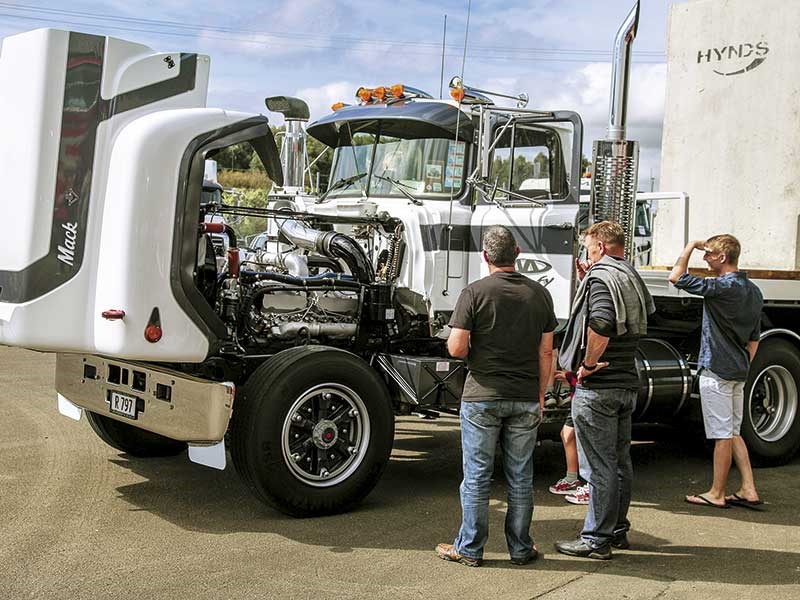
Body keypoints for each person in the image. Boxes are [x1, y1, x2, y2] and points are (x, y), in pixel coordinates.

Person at [436, 225, 557, 567]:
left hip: (482, 397)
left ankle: (470, 548)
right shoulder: (540, 295)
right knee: (521, 477)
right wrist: (541, 397)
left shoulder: (474, 293)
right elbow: (547, 352)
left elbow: (457, 349)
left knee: (477, 475)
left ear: (485, 256)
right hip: (525, 397)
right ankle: (520, 548)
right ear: (517, 254)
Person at [555, 221, 655, 560]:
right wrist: (588, 278)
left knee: (598, 468)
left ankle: (596, 540)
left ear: (598, 245)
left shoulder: (601, 278)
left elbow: (601, 322)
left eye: (587, 246)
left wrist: (587, 364)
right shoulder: (627, 274)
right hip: (627, 382)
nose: (586, 252)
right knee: (619, 464)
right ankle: (616, 531)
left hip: (599, 388)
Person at [669, 235, 764, 511]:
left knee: (722, 434)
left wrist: (689, 246)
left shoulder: (720, 287)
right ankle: (748, 488)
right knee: (733, 431)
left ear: (722, 258)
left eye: (708, 254)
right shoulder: (754, 291)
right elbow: (754, 339)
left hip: (717, 370)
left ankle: (717, 492)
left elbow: (677, 277)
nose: (704, 258)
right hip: (738, 370)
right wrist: (742, 364)